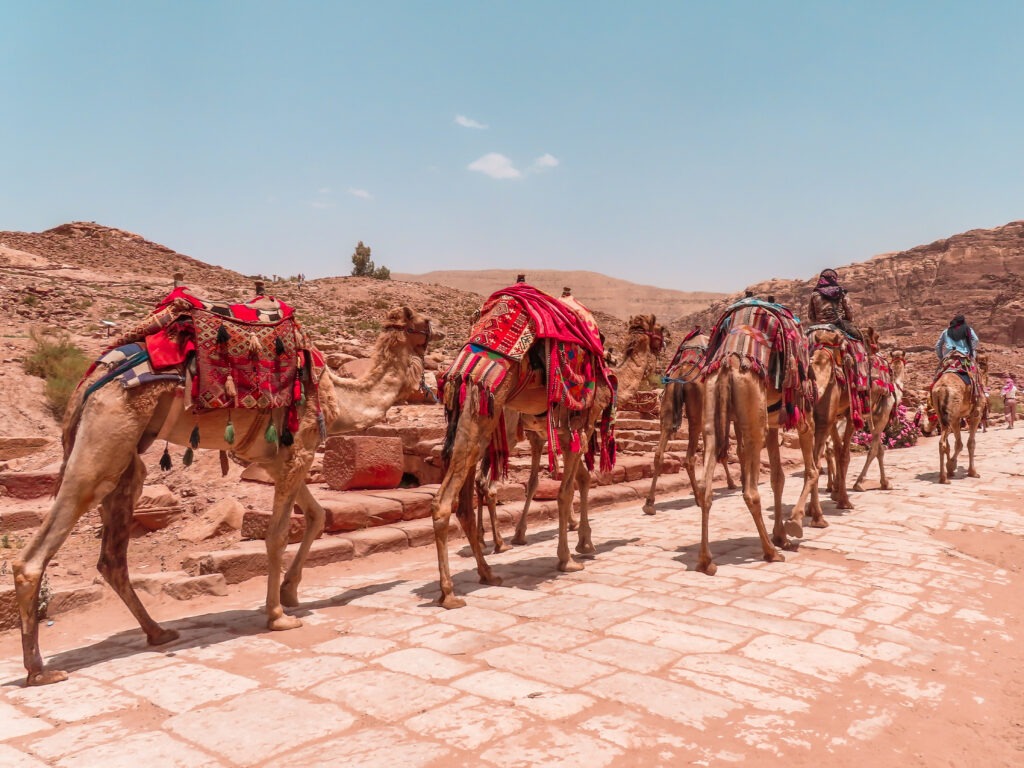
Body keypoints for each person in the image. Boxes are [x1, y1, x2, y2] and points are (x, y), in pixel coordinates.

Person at [807, 268, 861, 339]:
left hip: (819, 325)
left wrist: (818, 320)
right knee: (860, 338)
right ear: (834, 279)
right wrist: (848, 320)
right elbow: (848, 310)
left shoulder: (814, 294)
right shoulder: (841, 292)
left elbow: (811, 315)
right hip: (839, 324)